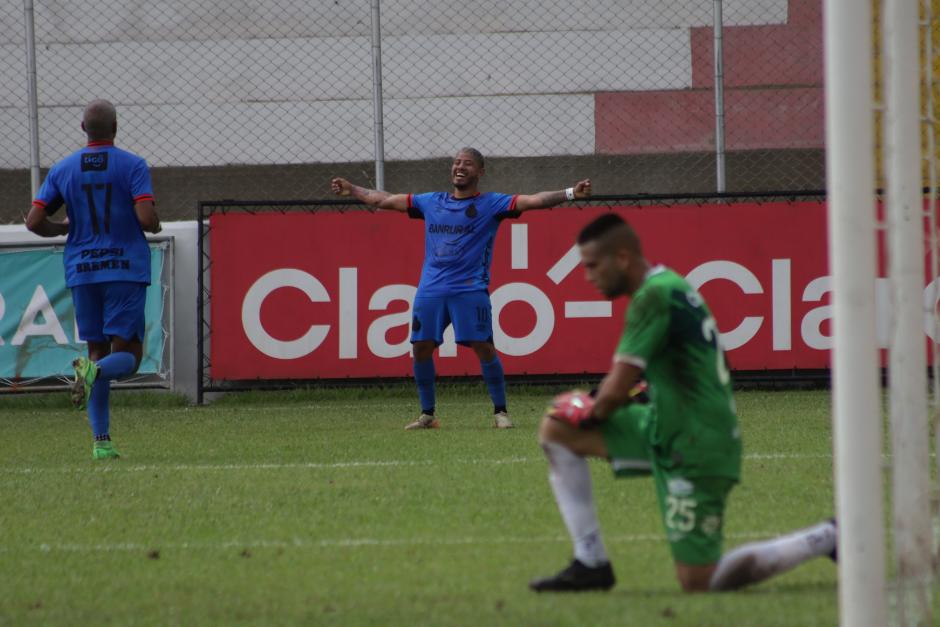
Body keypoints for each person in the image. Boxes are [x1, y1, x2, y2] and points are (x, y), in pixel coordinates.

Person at [530, 213, 836, 592]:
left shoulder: (652, 297)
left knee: (699, 581)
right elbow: (712, 363)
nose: (588, 275)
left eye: (593, 265)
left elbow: (613, 392)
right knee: (557, 428)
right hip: (666, 426)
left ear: (621, 258)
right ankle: (590, 562)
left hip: (699, 446)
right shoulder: (671, 283)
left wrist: (592, 410)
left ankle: (826, 536)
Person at [331, 148, 590, 430]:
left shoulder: (493, 204)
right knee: (421, 348)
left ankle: (500, 412)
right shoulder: (431, 202)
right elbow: (385, 200)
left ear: (480, 172)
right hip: (430, 290)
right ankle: (427, 415)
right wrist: (352, 189)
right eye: (456, 163)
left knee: (483, 347)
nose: (460, 167)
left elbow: (534, 200)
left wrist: (570, 193)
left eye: (467, 164)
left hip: (469, 290)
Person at [25, 99, 162, 460]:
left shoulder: (62, 169)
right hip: (124, 268)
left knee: (96, 351)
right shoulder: (132, 165)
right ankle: (92, 373)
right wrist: (156, 221)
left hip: (83, 270)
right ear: (115, 128)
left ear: (83, 129)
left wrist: (64, 228)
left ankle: (101, 443)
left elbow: (35, 222)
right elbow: (146, 219)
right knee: (128, 358)